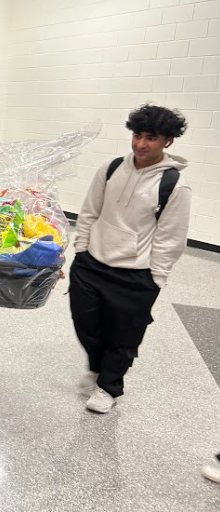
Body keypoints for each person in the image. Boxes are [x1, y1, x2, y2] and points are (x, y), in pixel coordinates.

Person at [70, 104, 191, 414]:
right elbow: (89, 212)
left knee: (124, 336)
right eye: (137, 135)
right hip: (92, 262)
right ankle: (97, 367)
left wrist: (156, 277)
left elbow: (171, 238)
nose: (141, 144)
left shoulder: (174, 185)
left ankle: (109, 387)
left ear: (168, 141)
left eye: (151, 137)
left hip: (136, 274)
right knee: (86, 325)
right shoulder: (110, 168)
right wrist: (81, 250)